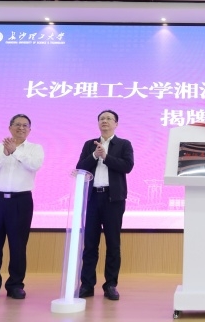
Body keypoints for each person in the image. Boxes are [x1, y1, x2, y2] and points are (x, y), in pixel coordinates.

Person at [0, 114, 44, 300]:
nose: (21, 128)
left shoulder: (35, 148)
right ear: (10, 127)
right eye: (17, 124)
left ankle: (15, 285)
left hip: (21, 201)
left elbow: (35, 165)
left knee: (18, 245)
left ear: (30, 130)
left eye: (25, 125)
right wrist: (5, 153)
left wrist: (15, 152)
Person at [77, 110, 134, 301]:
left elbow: (127, 166)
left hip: (113, 199)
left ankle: (110, 285)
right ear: (98, 123)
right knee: (90, 244)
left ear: (116, 124)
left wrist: (106, 157)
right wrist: (95, 155)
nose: (105, 121)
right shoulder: (89, 144)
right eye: (102, 119)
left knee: (113, 244)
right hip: (93, 198)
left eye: (109, 119)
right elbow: (80, 167)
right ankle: (87, 285)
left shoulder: (124, 144)